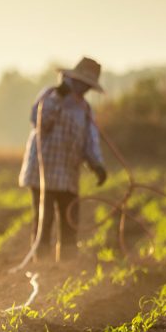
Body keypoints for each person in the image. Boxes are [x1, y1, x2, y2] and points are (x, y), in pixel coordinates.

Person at [18, 57, 107, 263]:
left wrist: (97, 165)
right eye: (82, 83)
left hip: (68, 174)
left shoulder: (85, 109)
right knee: (44, 220)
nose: (84, 88)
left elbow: (90, 141)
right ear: (73, 79)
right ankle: (41, 266)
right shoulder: (50, 95)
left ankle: (66, 266)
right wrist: (58, 97)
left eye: (88, 85)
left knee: (70, 220)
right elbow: (37, 120)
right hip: (43, 171)